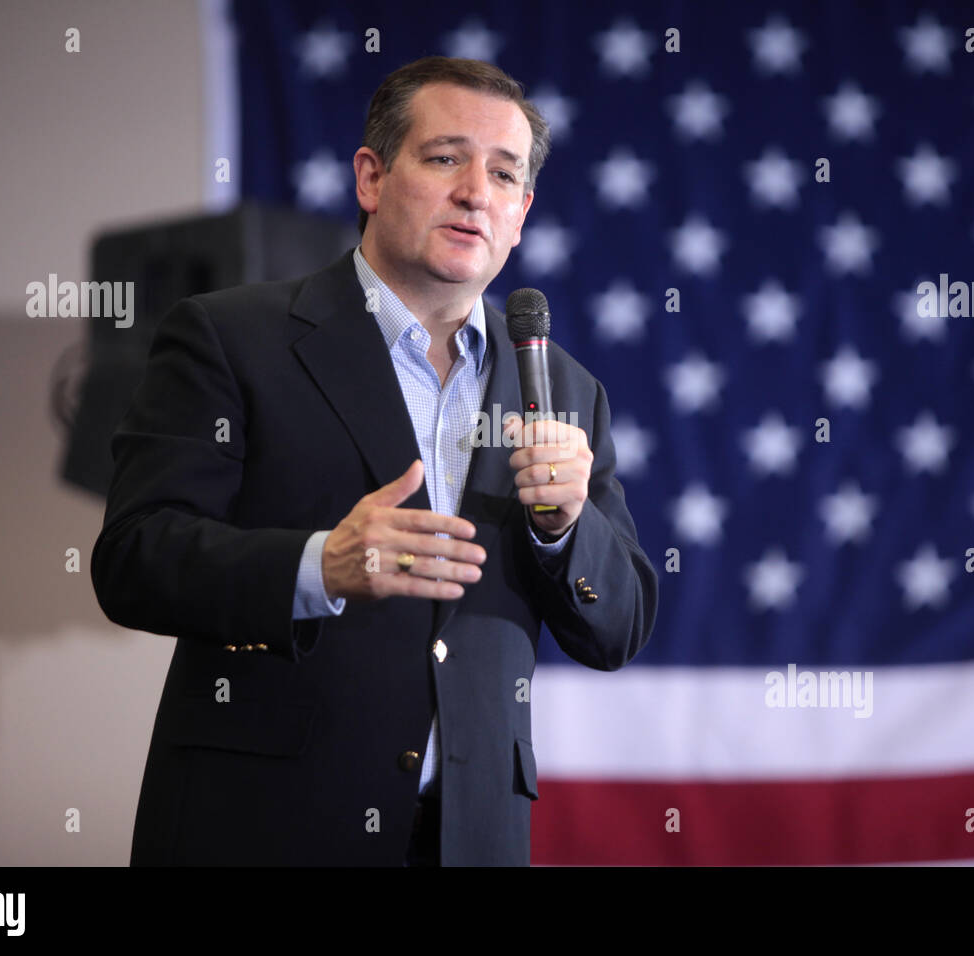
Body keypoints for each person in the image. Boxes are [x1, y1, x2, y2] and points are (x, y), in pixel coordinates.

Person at [91, 56, 657, 866]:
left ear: (522, 212)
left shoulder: (564, 386)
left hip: (470, 836)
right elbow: (134, 559)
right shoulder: (230, 338)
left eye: (504, 174)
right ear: (370, 175)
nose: (475, 191)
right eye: (444, 158)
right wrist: (322, 564)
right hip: (266, 826)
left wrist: (566, 530)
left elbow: (621, 625)